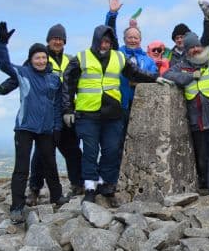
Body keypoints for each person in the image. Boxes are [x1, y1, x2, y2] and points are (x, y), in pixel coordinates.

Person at [62, 23, 166, 206]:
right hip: (87, 114)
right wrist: (68, 109)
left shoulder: (119, 57)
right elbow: (68, 84)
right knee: (90, 152)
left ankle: (106, 185)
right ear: (96, 41)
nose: (105, 45)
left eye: (108, 42)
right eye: (102, 41)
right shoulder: (81, 58)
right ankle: (90, 188)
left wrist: (155, 78)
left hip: (112, 113)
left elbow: (135, 73)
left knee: (111, 150)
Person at [0, 23, 84, 201]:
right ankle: (34, 188)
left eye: (60, 39)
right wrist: (3, 88)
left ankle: (77, 184)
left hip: (66, 112)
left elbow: (79, 83)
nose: (57, 42)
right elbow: (20, 76)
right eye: (54, 38)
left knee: (73, 151)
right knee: (41, 156)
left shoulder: (71, 60)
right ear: (48, 41)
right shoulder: (39, 56)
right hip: (43, 119)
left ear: (64, 42)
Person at [163, 4, 209, 198]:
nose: (195, 49)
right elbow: (168, 74)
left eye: (197, 46)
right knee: (201, 156)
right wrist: (189, 77)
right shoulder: (181, 65)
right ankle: (204, 182)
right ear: (185, 50)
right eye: (191, 47)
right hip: (197, 119)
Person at [104, 0, 158, 113]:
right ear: (124, 39)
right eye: (129, 37)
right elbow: (109, 33)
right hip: (118, 105)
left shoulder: (148, 60)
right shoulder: (117, 53)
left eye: (135, 38)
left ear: (140, 40)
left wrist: (138, 81)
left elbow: (154, 77)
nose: (132, 40)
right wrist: (112, 14)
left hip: (142, 107)